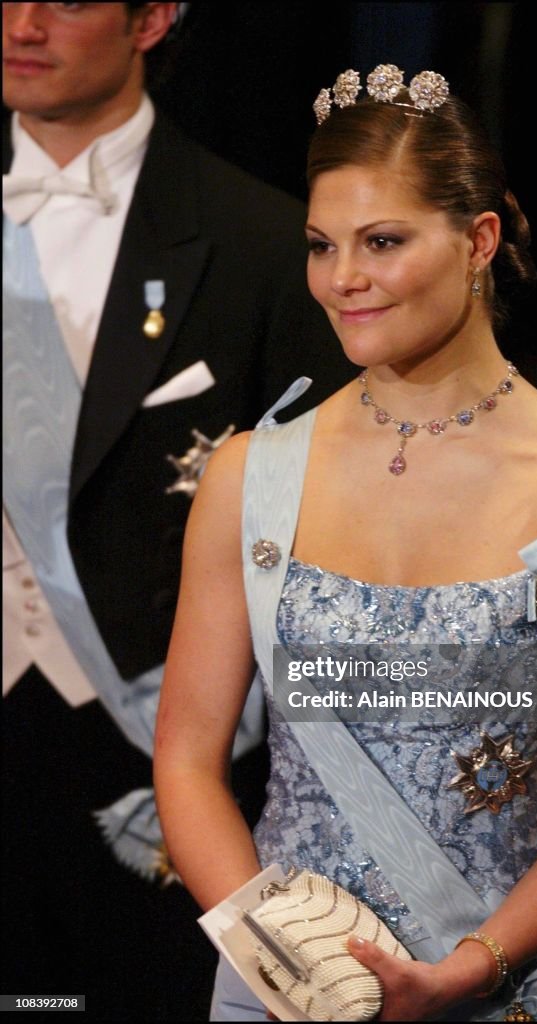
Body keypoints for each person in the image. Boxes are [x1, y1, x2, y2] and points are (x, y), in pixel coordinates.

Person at [154, 65, 537, 1021]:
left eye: (382, 242)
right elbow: (187, 761)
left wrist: (472, 967)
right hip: (281, 991)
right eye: (321, 246)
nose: (341, 278)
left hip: (508, 990)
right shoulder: (246, 478)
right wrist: (288, 964)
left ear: (478, 240)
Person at [2, 3, 351, 1019]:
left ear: (153, 17)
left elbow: (327, 525)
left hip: (151, 755)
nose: (21, 23)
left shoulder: (262, 241)